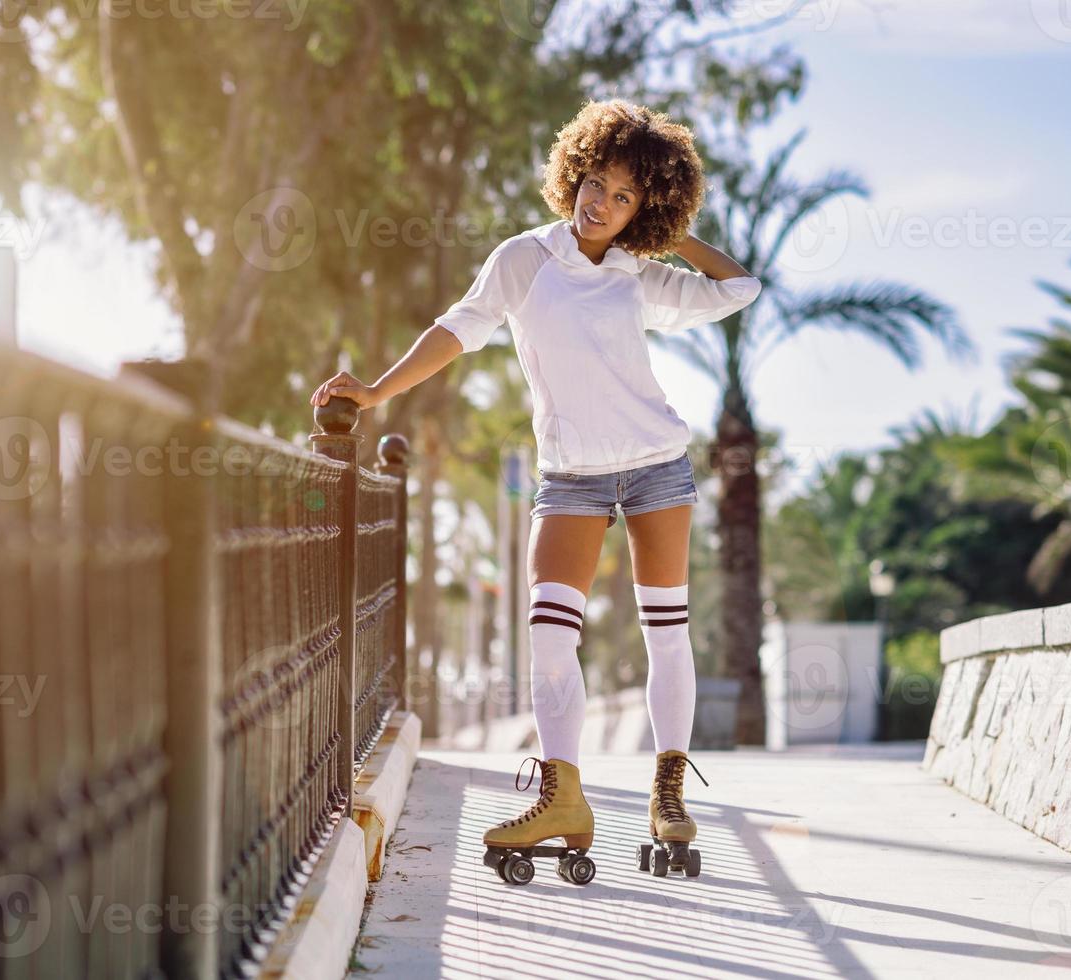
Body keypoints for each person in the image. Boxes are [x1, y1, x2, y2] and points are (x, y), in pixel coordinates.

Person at [310, 98, 761, 877]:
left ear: (641, 209)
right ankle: (561, 794)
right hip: (570, 478)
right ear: (573, 172)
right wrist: (376, 392)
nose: (603, 204)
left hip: (655, 464)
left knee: (666, 631)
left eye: (626, 196)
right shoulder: (525, 258)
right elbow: (457, 328)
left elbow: (738, 288)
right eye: (598, 183)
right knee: (549, 639)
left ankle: (668, 796)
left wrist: (663, 230)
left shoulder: (638, 272)